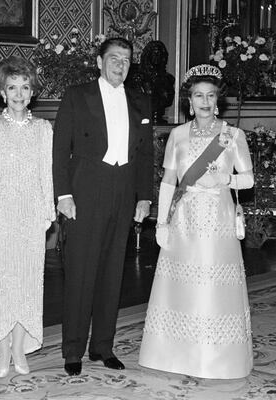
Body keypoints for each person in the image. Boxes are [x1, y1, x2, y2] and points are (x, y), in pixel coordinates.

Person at [138, 64, 254, 379]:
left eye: (210, 95)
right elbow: (168, 181)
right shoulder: (177, 135)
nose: (204, 101)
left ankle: (219, 358)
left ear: (218, 100)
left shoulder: (233, 135)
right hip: (184, 220)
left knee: (214, 288)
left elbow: (248, 180)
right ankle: (174, 355)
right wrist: (161, 222)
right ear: (189, 101)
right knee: (181, 287)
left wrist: (225, 178)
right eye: (198, 95)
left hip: (218, 220)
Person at [53, 37, 154, 376]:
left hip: (123, 192)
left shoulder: (140, 101)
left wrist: (144, 196)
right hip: (85, 192)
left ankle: (103, 346)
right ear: (99, 61)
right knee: (81, 272)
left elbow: (145, 155)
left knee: (112, 273)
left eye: (125, 60)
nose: (119, 64)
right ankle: (73, 351)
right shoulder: (77, 96)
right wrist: (63, 195)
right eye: (113, 58)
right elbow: (59, 150)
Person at [0, 55, 55, 378]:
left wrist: (48, 213)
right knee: (1, 284)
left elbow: (48, 174)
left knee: (28, 284)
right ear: (2, 92)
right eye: (12, 87)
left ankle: (19, 347)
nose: (19, 93)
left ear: (32, 92)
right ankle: (1, 349)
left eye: (25, 87)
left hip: (32, 217)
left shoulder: (44, 129)